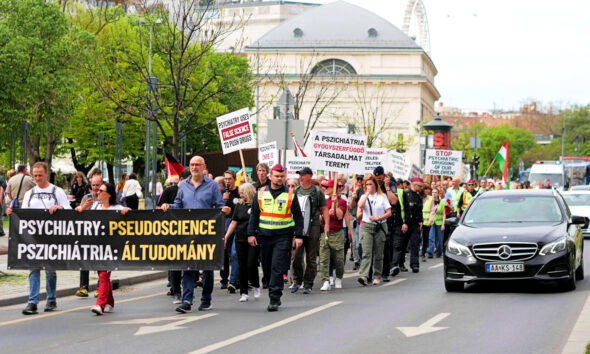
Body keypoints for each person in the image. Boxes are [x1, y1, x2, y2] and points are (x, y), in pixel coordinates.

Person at [161, 156, 229, 313]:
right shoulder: (183, 185)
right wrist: (168, 206)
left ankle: (206, 299)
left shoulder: (212, 186)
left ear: (204, 167)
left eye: (197, 164)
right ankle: (187, 300)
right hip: (189, 234)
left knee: (207, 268)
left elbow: (219, 206)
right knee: (189, 267)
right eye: (192, 164)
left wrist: (224, 210)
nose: (194, 167)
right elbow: (178, 205)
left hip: (207, 234)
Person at [6, 162, 72, 315]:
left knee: (50, 269)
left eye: (40, 175)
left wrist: (59, 208)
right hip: (33, 238)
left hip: (52, 237)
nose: (37, 178)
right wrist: (13, 213)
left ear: (47, 174)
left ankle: (51, 299)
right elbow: (24, 215)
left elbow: (69, 211)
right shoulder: (30, 193)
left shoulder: (57, 191)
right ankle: (32, 301)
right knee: (33, 268)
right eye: (34, 176)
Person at [247, 164, 304, 311]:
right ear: (270, 177)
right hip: (264, 236)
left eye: (281, 176)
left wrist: (298, 235)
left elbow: (298, 216)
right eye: (276, 176)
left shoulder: (290, 193)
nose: (279, 179)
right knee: (266, 268)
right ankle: (272, 289)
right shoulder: (260, 192)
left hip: (283, 236)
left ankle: (274, 297)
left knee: (277, 267)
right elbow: (254, 214)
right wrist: (251, 233)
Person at [75, 182, 131, 315]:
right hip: (97, 247)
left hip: (112, 248)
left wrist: (126, 211)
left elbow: (129, 215)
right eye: (98, 190)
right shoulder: (95, 206)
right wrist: (82, 208)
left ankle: (99, 304)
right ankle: (109, 302)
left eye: (101, 190)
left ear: (109, 194)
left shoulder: (116, 207)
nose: (98, 192)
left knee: (104, 274)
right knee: (102, 274)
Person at [291, 167, 329, 294]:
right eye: (299, 174)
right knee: (296, 255)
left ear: (309, 176)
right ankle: (297, 281)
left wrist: (326, 223)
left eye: (303, 174)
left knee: (311, 257)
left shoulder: (317, 191)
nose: (300, 177)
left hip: (313, 226)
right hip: (299, 227)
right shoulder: (296, 191)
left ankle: (308, 284)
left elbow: (324, 208)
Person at [158, 169, 191, 304]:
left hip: (189, 231)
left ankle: (188, 292)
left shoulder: (191, 191)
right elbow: (160, 207)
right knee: (175, 262)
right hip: (172, 231)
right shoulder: (169, 191)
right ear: (181, 180)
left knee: (189, 263)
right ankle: (176, 290)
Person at [224, 183, 260, 302]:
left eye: (242, 192)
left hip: (252, 238)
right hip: (239, 238)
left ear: (249, 192)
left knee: (251, 264)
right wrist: (226, 236)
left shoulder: (256, 205)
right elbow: (234, 222)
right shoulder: (239, 205)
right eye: (239, 192)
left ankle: (255, 284)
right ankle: (244, 292)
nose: (240, 195)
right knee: (242, 265)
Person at [356, 175, 391, 286]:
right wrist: (366, 194)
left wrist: (378, 218)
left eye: (370, 184)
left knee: (378, 253)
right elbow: (360, 206)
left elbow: (388, 212)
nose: (369, 186)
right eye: (366, 185)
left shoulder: (382, 196)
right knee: (366, 252)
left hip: (379, 226)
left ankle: (377, 275)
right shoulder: (363, 196)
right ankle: (364, 276)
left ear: (375, 185)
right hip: (366, 226)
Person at [75, 175, 103, 297]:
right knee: (84, 259)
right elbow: (78, 212)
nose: (96, 188)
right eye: (94, 185)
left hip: (102, 234)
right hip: (88, 233)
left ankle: (100, 287)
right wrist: (85, 207)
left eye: (98, 185)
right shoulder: (86, 197)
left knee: (101, 261)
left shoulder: (106, 196)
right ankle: (84, 287)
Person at [391, 177, 423, 275]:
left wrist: (421, 221)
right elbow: (405, 209)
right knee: (402, 245)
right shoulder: (406, 194)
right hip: (406, 223)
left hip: (415, 224)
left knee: (415, 245)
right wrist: (405, 222)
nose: (421, 188)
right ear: (414, 184)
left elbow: (419, 210)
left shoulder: (418, 196)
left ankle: (414, 265)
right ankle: (399, 264)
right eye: (420, 186)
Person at [319, 180, 347, 291]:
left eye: (327, 187)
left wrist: (336, 205)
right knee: (324, 259)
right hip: (325, 232)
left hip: (337, 233)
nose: (324, 189)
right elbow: (319, 218)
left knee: (339, 259)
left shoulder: (342, 201)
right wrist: (326, 215)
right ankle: (325, 280)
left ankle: (339, 278)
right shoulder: (324, 202)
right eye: (324, 187)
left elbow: (340, 217)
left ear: (333, 188)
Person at [220, 170, 240, 293]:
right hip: (225, 224)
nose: (227, 181)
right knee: (224, 253)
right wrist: (223, 200)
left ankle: (234, 281)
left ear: (234, 179)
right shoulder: (222, 193)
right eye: (226, 179)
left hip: (236, 225)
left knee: (234, 254)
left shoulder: (239, 192)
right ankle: (224, 279)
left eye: (229, 179)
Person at [425, 187, 446, 258]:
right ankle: (430, 252)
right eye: (433, 192)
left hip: (439, 223)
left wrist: (443, 224)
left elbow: (444, 214)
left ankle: (439, 252)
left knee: (440, 240)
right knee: (431, 237)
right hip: (431, 222)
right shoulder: (429, 201)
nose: (434, 193)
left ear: (438, 194)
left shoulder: (442, 203)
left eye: (435, 192)